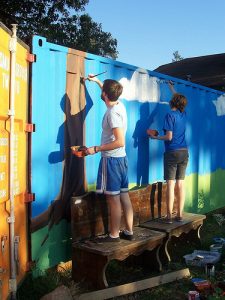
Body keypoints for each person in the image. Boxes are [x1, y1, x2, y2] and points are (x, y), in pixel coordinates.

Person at [86, 75, 134, 242]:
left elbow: (119, 141)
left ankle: (114, 235)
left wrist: (96, 148)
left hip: (112, 161)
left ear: (105, 95)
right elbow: (108, 93)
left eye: (103, 90)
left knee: (113, 200)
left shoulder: (112, 113)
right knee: (124, 196)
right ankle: (129, 232)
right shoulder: (120, 105)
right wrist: (97, 81)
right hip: (122, 160)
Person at [148, 83, 189, 224]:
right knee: (180, 184)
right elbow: (179, 99)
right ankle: (180, 215)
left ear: (172, 102)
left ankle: (169, 217)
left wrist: (155, 137)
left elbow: (169, 137)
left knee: (170, 185)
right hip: (184, 152)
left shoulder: (169, 115)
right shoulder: (183, 114)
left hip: (172, 152)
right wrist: (172, 88)